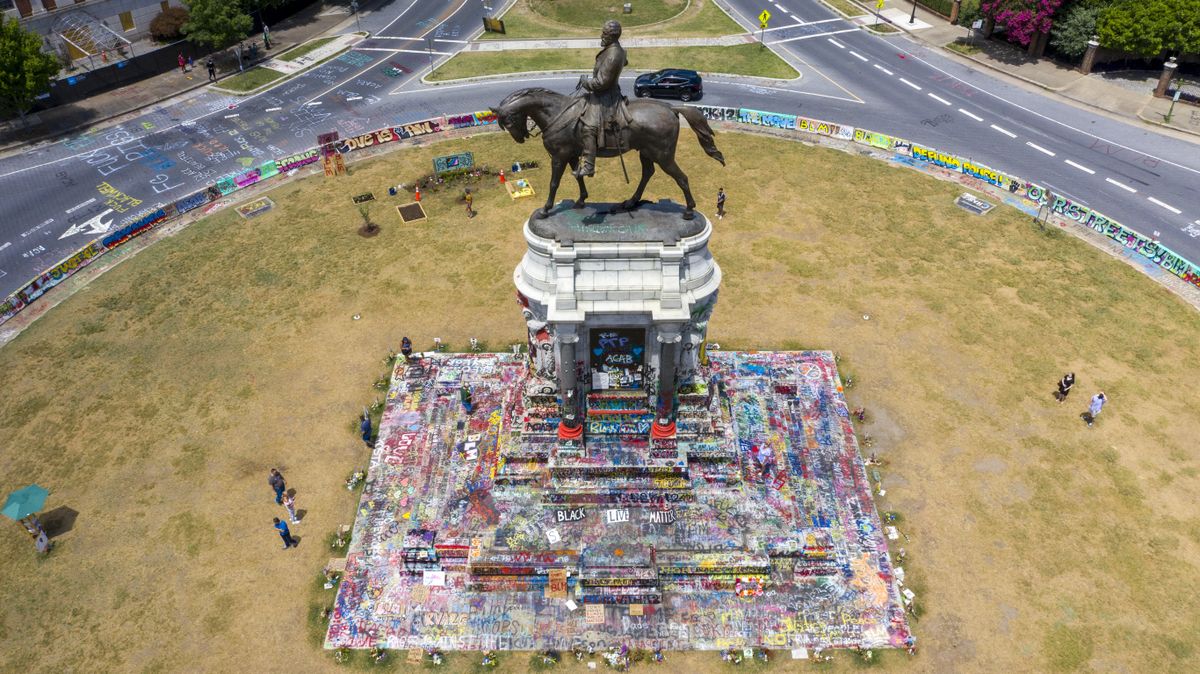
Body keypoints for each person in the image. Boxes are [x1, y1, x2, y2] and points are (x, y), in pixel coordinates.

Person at [572, 20, 628, 178]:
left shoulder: (613, 54)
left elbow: (601, 83)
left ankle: (589, 166)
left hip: (606, 97)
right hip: (605, 91)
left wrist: (585, 82)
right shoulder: (614, 50)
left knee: (589, 126)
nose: (601, 36)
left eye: (604, 33)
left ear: (612, 36)